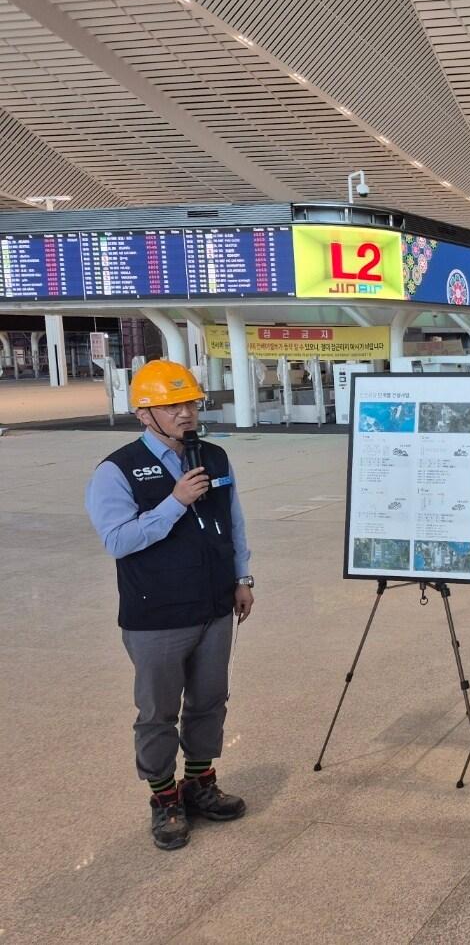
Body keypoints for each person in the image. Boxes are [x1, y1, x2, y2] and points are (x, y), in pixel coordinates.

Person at [85, 360, 254, 851]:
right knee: (158, 711)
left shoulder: (215, 458)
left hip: (215, 606)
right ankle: (163, 798)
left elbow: (234, 522)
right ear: (144, 414)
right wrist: (174, 501)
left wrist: (241, 578)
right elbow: (117, 540)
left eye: (190, 403)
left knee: (209, 701)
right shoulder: (116, 471)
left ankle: (199, 782)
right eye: (172, 406)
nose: (185, 414)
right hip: (156, 615)